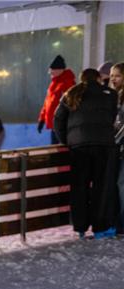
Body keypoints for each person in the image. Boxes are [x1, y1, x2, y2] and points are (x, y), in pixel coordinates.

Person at [53, 68, 118, 239]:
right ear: (98, 78)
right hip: (104, 145)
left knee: (79, 187)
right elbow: (111, 117)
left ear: (82, 79)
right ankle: (100, 228)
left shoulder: (71, 93)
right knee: (101, 188)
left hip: (79, 147)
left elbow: (58, 119)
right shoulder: (110, 94)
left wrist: (67, 140)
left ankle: (80, 226)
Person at [38, 55, 77, 144]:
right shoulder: (54, 84)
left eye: (52, 70)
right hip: (54, 124)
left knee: (61, 151)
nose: (50, 72)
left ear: (60, 70)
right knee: (55, 150)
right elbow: (47, 103)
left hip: (63, 125)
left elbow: (71, 105)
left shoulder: (68, 83)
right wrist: (42, 119)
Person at [110, 62, 124, 234]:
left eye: (118, 75)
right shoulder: (115, 95)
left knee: (121, 184)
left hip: (120, 146)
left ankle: (121, 224)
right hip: (118, 147)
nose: (113, 79)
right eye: (112, 75)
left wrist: (114, 140)